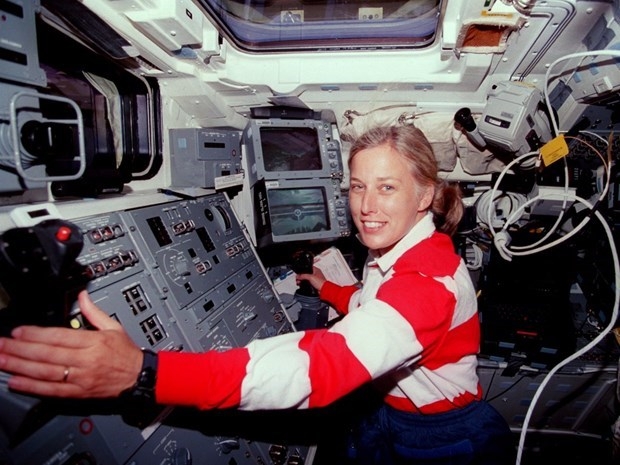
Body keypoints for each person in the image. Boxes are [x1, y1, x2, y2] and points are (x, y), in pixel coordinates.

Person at [0, 125, 513, 464]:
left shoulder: (427, 281)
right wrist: (330, 289)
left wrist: (143, 373)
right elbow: (373, 304)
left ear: (425, 195)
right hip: (391, 413)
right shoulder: (402, 251)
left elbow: (320, 369)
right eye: (358, 186)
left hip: (438, 435)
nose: (366, 206)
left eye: (387, 187)